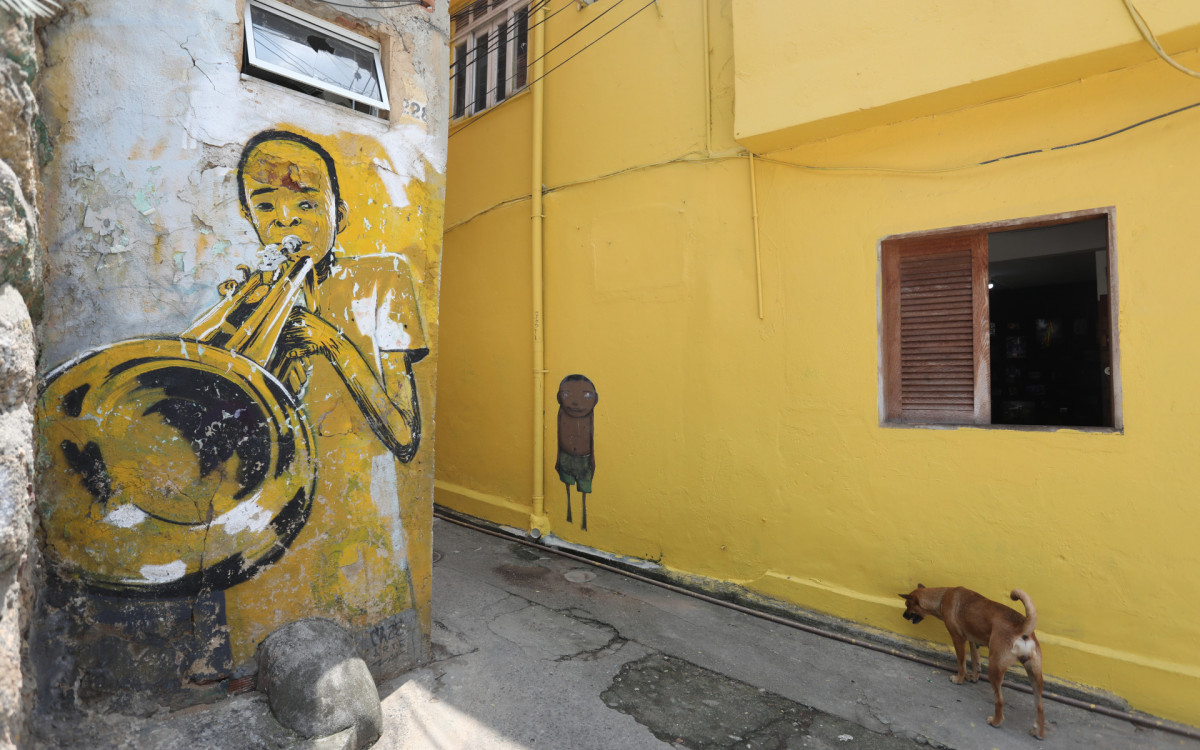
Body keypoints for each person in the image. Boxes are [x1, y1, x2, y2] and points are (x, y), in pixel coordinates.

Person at [226, 128, 428, 462]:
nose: (285, 218)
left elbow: (404, 436)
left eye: (306, 203)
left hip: (359, 481)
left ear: (340, 216)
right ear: (248, 215)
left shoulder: (384, 276)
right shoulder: (253, 292)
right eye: (264, 205)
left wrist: (332, 342)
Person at [556, 374, 598, 530]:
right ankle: (569, 511)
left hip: (584, 458)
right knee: (567, 484)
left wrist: (592, 460)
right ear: (559, 397)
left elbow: (591, 440)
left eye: (586, 395)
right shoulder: (562, 413)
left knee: (584, 488)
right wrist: (558, 459)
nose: (575, 402)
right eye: (567, 394)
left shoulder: (589, 416)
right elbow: (559, 435)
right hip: (565, 456)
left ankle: (584, 517)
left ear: (595, 399)